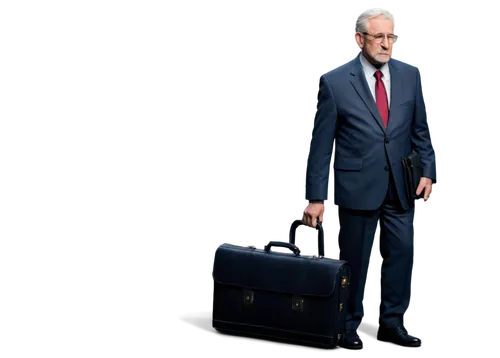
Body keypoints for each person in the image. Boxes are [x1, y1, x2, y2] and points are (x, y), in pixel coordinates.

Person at [302, 7, 436, 350]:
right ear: (358, 39)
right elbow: (321, 147)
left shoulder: (410, 75)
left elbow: (421, 132)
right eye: (380, 36)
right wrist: (316, 198)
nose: (387, 43)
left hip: (402, 186)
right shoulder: (334, 81)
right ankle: (349, 325)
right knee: (355, 262)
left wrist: (429, 172)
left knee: (403, 255)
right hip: (356, 187)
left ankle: (393, 323)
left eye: (392, 37)